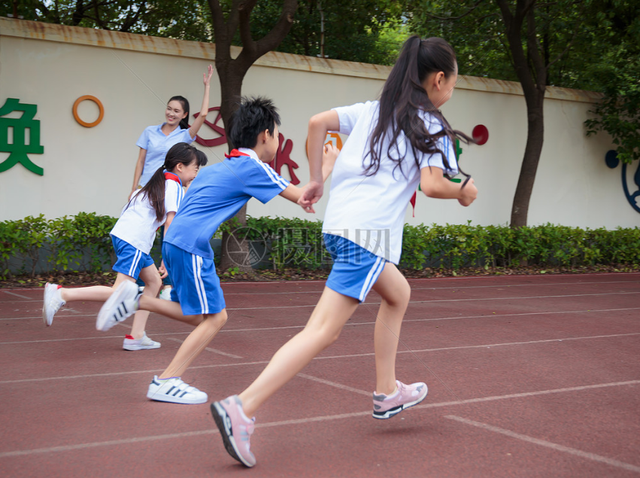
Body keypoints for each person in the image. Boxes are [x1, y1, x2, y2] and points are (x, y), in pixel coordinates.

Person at [210, 36, 479, 467]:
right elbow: (432, 185)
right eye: (454, 81)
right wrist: (465, 191)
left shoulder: (372, 111)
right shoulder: (430, 122)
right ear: (440, 79)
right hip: (368, 235)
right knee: (322, 331)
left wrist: (316, 178)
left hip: (340, 226)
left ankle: (387, 392)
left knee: (398, 293)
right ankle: (242, 406)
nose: (452, 90)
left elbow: (318, 123)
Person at [95, 97, 338, 403]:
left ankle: (139, 301)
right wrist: (326, 166)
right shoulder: (252, 167)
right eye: (276, 133)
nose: (277, 139)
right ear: (265, 135)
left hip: (174, 242)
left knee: (198, 315)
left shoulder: (219, 167)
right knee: (216, 317)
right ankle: (167, 379)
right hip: (192, 245)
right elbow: (305, 197)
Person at [42, 143, 208, 351]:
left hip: (129, 237)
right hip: (134, 240)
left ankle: (136, 336)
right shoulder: (173, 184)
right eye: (195, 168)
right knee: (119, 291)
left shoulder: (161, 180)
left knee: (154, 282)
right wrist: (168, 256)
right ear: (180, 167)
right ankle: (60, 294)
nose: (196, 173)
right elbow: (170, 223)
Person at [131, 64, 214, 301]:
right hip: (147, 190)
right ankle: (141, 282)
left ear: (184, 115)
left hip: (169, 189)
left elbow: (205, 115)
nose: (171, 113)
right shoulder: (150, 131)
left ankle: (165, 283)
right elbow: (140, 162)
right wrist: (133, 189)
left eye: (177, 111)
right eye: (169, 108)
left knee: (170, 232)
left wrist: (206, 86)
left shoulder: (185, 136)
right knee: (143, 234)